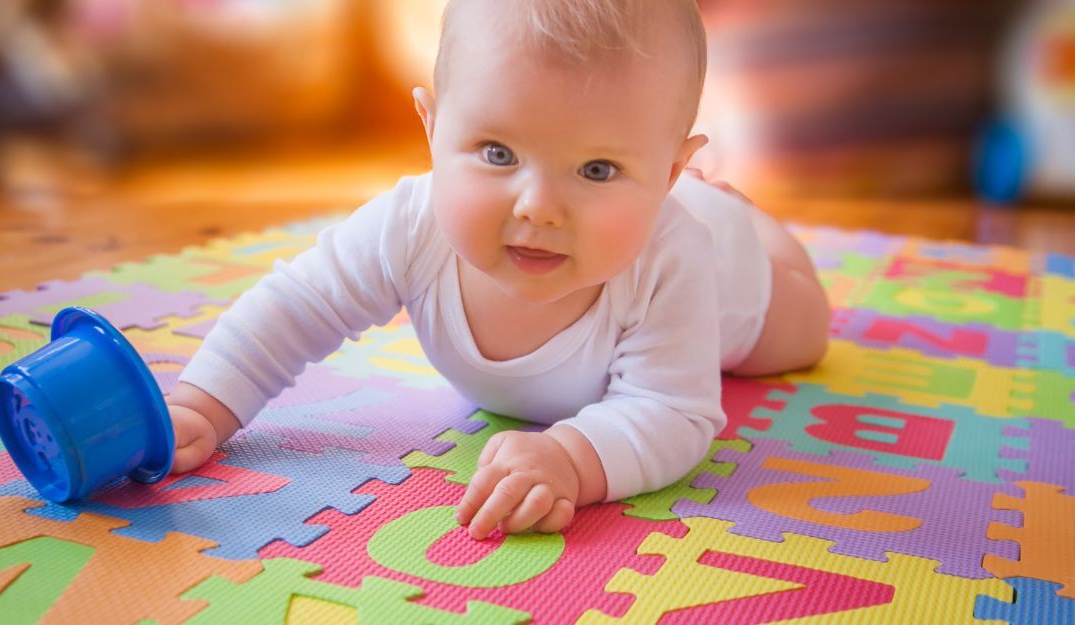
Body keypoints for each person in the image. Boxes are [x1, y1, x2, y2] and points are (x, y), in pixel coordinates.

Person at [165, 0, 831, 541]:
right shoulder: (409, 223)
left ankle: (740, 215)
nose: (538, 207)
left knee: (802, 335)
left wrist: (572, 458)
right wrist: (207, 399)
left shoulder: (671, 256)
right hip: (661, 205)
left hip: (736, 275)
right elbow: (298, 303)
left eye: (596, 169)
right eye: (497, 152)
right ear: (431, 128)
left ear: (668, 172)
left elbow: (673, 411)